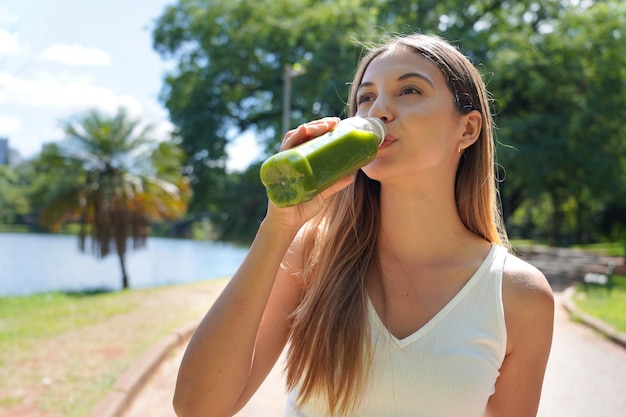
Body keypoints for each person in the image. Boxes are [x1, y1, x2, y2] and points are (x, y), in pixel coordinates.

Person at [172, 33, 554, 417]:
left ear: (467, 129)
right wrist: (279, 224)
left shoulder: (517, 295)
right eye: (366, 98)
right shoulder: (312, 256)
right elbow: (197, 407)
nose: (378, 112)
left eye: (409, 91)